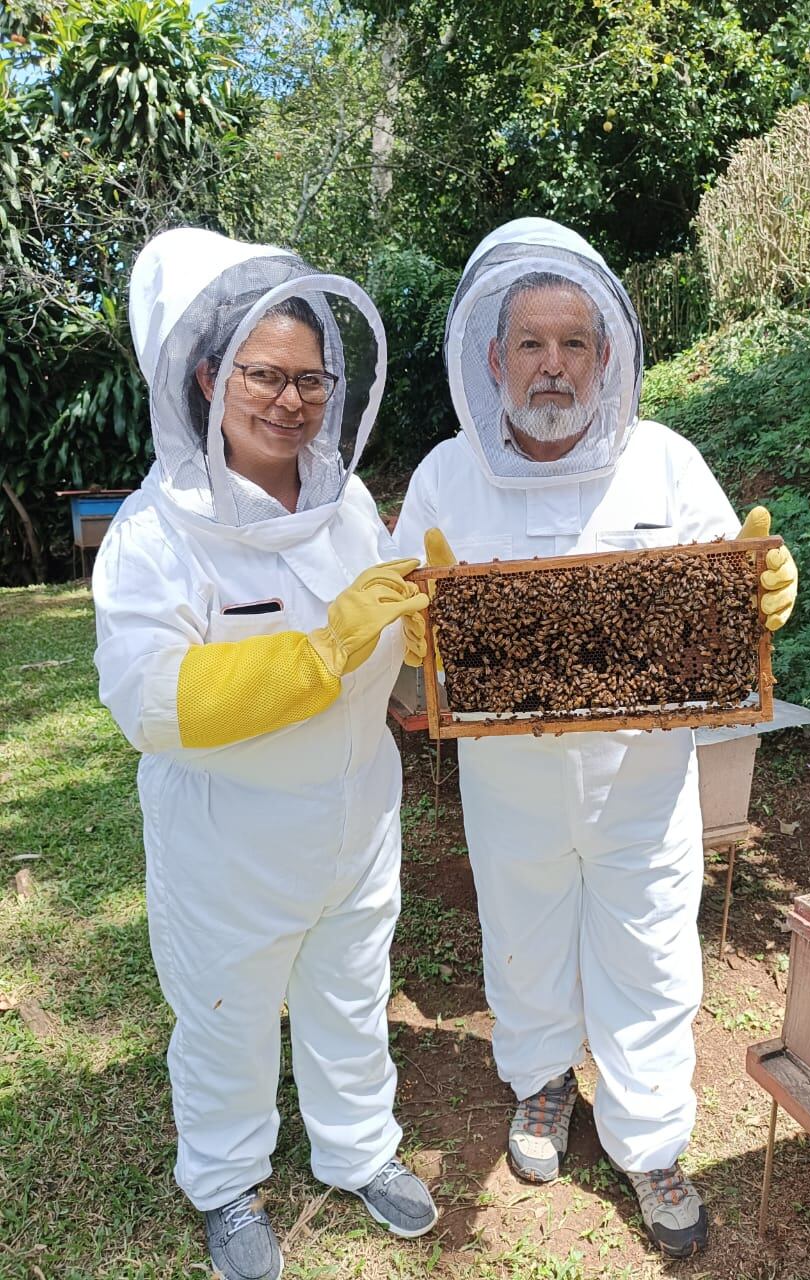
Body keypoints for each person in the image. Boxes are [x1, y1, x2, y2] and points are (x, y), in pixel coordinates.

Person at [394, 218, 797, 1259]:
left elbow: (731, 580)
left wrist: (756, 593)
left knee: (652, 949)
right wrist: (410, 626)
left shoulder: (664, 463)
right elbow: (401, 633)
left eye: (575, 342)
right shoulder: (446, 476)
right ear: (493, 359)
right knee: (523, 935)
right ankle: (539, 1082)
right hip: (508, 776)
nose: (553, 363)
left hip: (643, 776)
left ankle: (650, 1136)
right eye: (532, 342)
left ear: (606, 354)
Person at [93, 228, 439, 1280]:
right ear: (207, 378)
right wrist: (324, 649)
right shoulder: (156, 535)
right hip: (227, 843)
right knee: (226, 1014)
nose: (289, 399)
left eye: (309, 378)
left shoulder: (347, 515)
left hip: (356, 822)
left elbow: (396, 668)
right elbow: (149, 698)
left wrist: (420, 648)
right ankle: (227, 1179)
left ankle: (357, 1148)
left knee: (349, 991)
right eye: (262, 375)